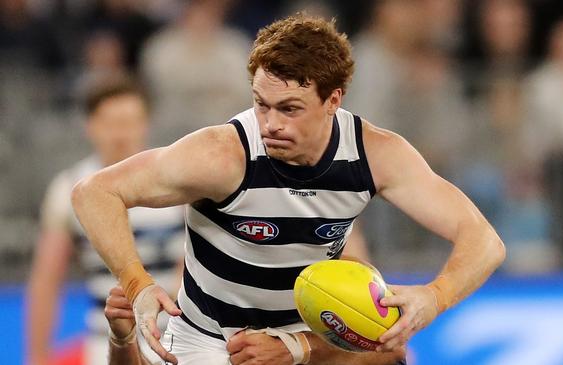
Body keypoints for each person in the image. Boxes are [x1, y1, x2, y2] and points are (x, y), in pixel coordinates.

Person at [71, 14, 505, 365]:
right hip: (210, 341)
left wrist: (435, 296)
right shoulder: (222, 155)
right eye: (261, 103)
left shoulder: (377, 155)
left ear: (333, 100)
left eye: (290, 109)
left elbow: (484, 241)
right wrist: (138, 284)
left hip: (303, 339)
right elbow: (94, 192)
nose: (270, 123)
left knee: (390, 352)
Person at [26, 77, 185, 365]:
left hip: (176, 336)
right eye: (111, 123)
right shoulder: (70, 188)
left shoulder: (177, 180)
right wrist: (37, 355)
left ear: (145, 123)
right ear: (90, 125)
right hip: (104, 341)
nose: (120, 133)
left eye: (129, 122)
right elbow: (47, 279)